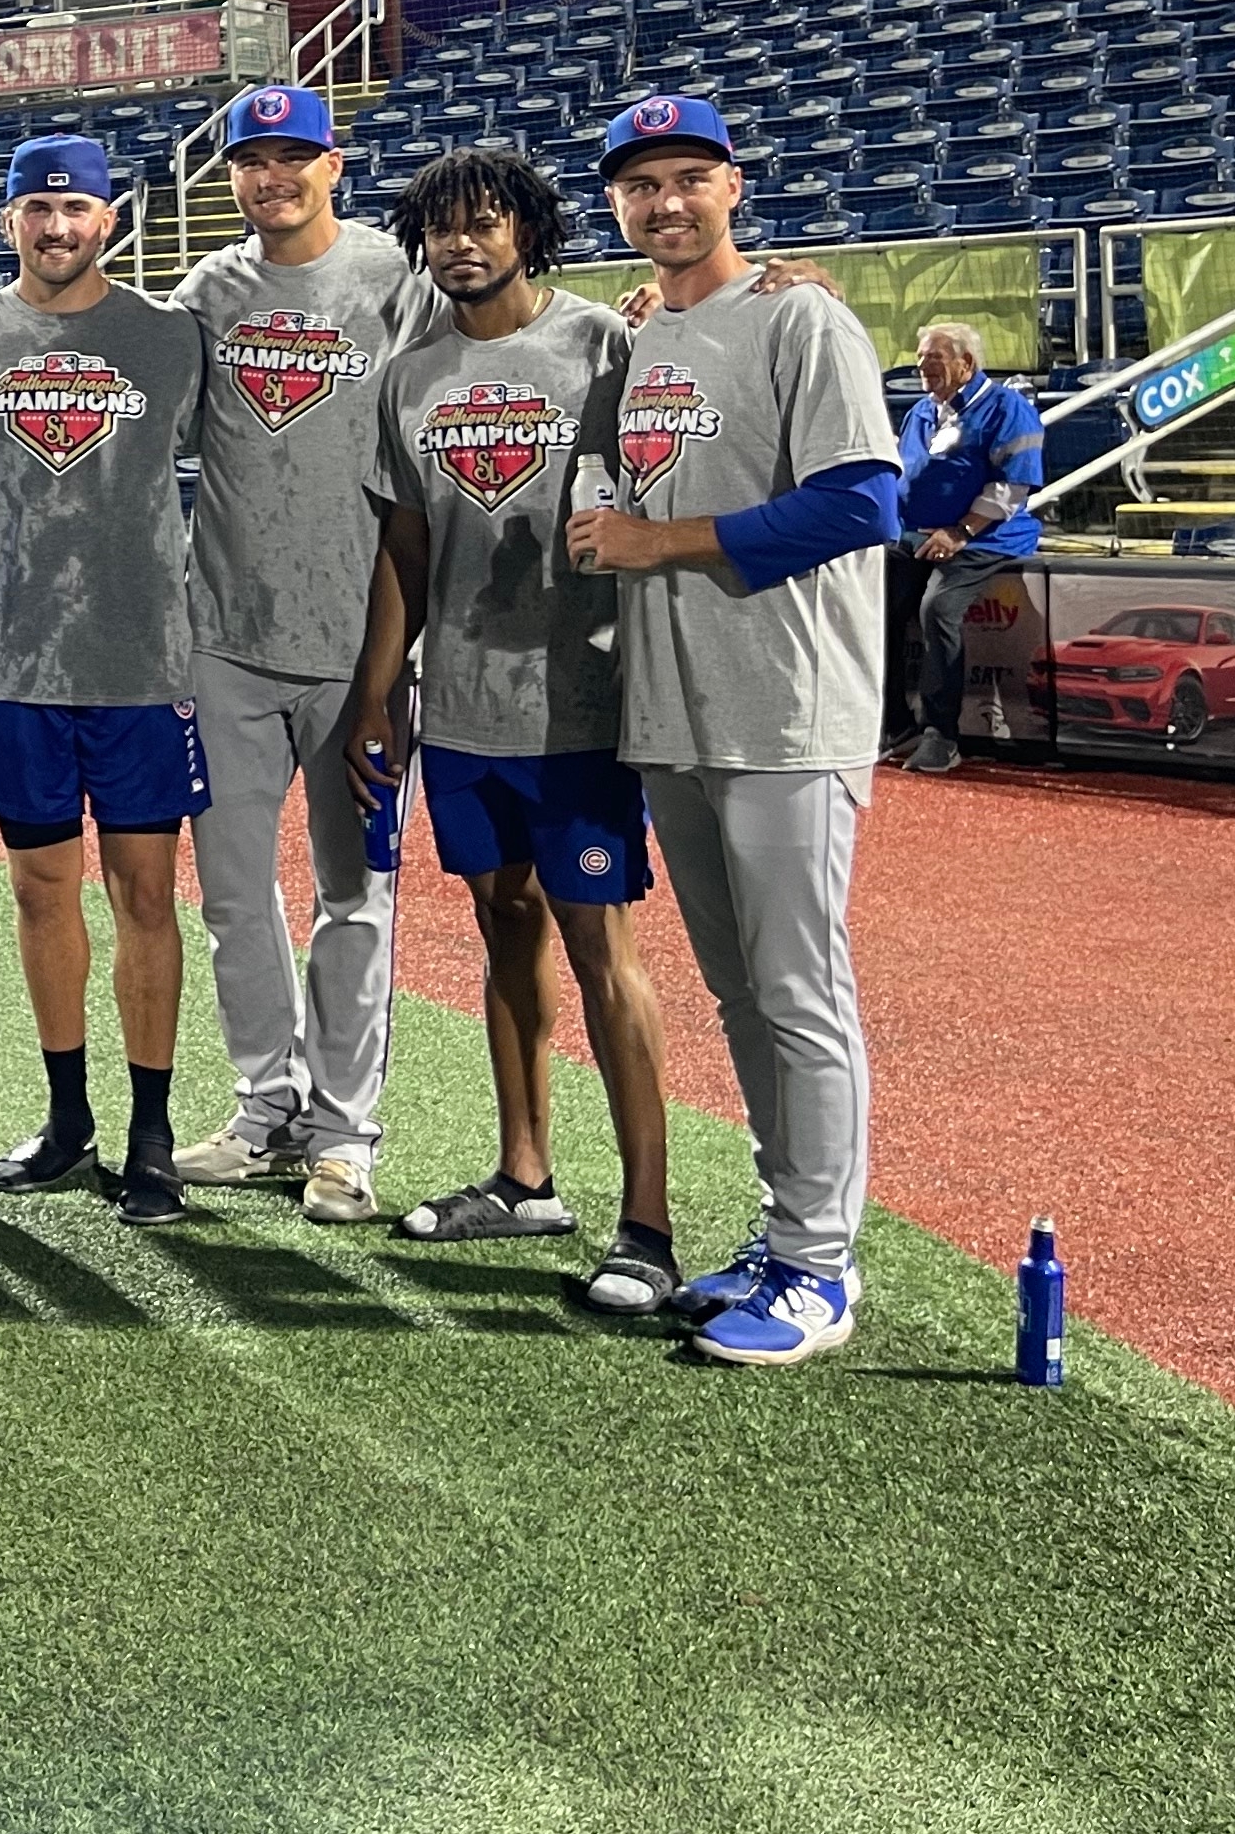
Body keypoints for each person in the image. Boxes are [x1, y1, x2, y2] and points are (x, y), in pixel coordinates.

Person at [566, 95, 899, 1368]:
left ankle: (822, 1265)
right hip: (676, 706)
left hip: (789, 708)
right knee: (739, 989)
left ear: (734, 187)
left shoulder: (799, 316)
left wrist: (666, 541)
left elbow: (865, 501)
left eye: (687, 180)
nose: (665, 204)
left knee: (801, 988)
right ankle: (784, 1229)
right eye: (641, 187)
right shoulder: (648, 334)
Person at [342, 147, 678, 1311]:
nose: (459, 246)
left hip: (582, 705)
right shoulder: (409, 370)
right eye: (440, 230)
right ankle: (526, 1172)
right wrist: (380, 693)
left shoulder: (605, 347)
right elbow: (408, 548)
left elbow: (688, 432)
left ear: (530, 232)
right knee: (504, 925)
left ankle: (649, 1222)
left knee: (603, 949)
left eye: (484, 224)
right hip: (468, 710)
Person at [163, 87, 446, 1226]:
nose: (272, 177)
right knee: (234, 898)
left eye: (293, 157)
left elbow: (506, 334)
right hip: (223, 641)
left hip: (358, 648)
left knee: (356, 896)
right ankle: (263, 1107)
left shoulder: (396, 280)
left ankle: (345, 1135)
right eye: (251, 161)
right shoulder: (209, 291)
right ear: (230, 177)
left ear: (336, 164)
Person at [0, 134, 212, 1222]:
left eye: (76, 210)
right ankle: (67, 1117)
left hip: (142, 662)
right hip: (10, 663)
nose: (56, 228)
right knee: (41, 892)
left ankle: (151, 1131)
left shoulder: (167, 336)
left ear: (110, 220)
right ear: (10, 223)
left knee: (145, 894)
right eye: (36, 210)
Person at [893, 318, 1045, 777]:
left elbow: (1013, 487)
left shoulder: (1007, 408)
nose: (923, 366)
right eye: (920, 357)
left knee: (938, 609)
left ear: (966, 363)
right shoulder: (919, 411)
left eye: (933, 358)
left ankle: (942, 734)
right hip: (917, 531)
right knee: (872, 600)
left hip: (986, 536)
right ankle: (894, 725)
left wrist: (960, 532)